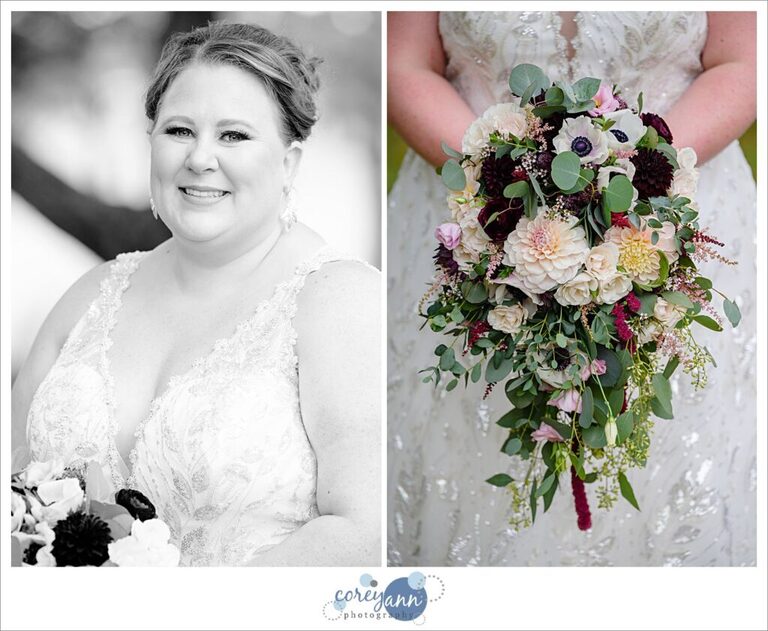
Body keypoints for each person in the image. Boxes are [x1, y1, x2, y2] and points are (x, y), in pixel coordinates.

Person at [387, 11, 756, 566]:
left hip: (671, 213)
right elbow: (405, 63)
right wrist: (499, 188)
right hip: (474, 206)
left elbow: (743, 60)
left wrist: (633, 180)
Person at [12, 22, 381, 567]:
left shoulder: (341, 301)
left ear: (289, 164)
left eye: (234, 135)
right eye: (179, 130)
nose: (200, 158)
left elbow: (361, 532)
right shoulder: (90, 295)